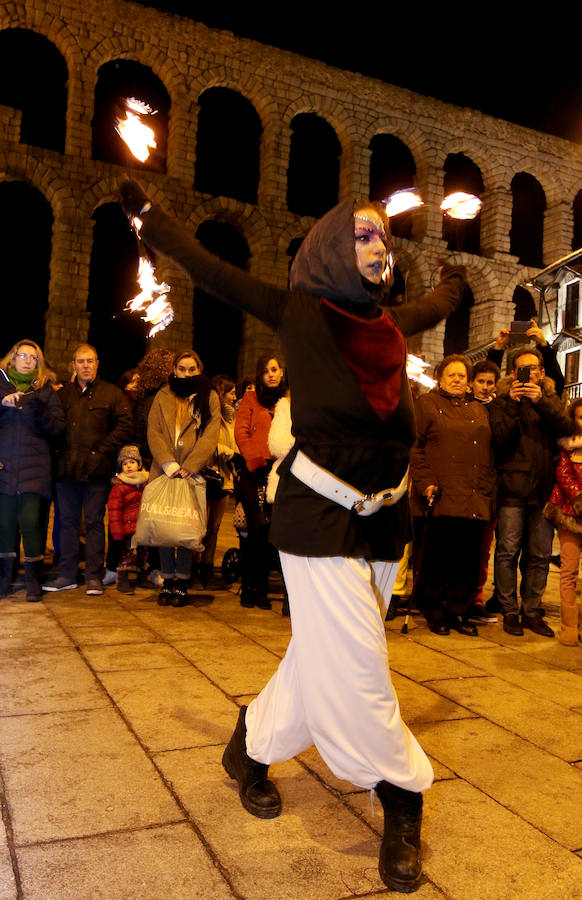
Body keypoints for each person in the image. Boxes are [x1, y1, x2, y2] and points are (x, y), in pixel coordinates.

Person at [120, 180, 465, 893]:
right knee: (361, 670)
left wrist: (457, 284)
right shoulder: (300, 311)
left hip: (385, 521)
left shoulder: (390, 325)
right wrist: (151, 219)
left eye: (384, 237)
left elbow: (436, 305)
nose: (379, 245)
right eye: (363, 234)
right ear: (334, 247)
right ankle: (402, 793)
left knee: (323, 658)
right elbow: (209, 269)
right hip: (318, 518)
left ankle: (249, 748)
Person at [489, 345, 572, 637]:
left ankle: (533, 611)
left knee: (539, 554)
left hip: (543, 490)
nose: (529, 374)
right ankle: (509, 610)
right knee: (507, 552)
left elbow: (566, 428)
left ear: (541, 372)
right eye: (523, 369)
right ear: (514, 373)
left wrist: (541, 402)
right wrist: (514, 405)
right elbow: (499, 441)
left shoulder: (550, 400)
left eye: (533, 369)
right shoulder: (501, 403)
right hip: (511, 490)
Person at [410, 355, 496, 635]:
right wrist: (425, 482)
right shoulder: (427, 404)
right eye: (452, 375)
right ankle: (434, 610)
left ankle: (459, 610)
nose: (458, 380)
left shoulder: (479, 408)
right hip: (441, 493)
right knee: (436, 558)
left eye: (462, 376)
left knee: (467, 559)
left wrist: (488, 486)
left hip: (475, 493)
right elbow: (415, 447)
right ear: (440, 378)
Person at [43, 344, 133, 596]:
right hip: (66, 470)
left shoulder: (111, 393)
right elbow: (52, 427)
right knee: (66, 523)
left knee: (94, 523)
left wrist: (102, 451)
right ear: (73, 365)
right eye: (81, 361)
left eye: (90, 361)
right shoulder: (62, 395)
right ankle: (66, 574)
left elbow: (124, 425)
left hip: (96, 471)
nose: (85, 365)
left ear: (97, 364)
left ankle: (94, 575)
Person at [147, 349, 220, 607]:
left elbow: (211, 434)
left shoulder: (209, 396)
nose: (186, 374)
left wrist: (190, 465)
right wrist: (168, 463)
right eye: (182, 369)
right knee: (165, 528)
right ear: (174, 370)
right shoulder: (163, 395)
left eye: (192, 369)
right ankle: (167, 580)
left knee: (187, 529)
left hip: (192, 471)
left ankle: (182, 582)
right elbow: (154, 430)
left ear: (199, 370)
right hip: (164, 469)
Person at [0, 339, 65, 601]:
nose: (28, 361)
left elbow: (58, 429)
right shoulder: (1, 385)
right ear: (12, 358)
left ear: (39, 363)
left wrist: (40, 411)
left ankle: (33, 581)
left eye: (33, 357)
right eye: (23, 356)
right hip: (4, 467)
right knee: (4, 524)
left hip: (35, 469)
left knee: (30, 523)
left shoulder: (46, 391)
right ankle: (4, 580)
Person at [234, 355, 287, 609]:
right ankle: (248, 587)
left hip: (278, 471)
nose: (271, 375)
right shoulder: (251, 398)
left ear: (281, 372)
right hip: (253, 469)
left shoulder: (287, 401)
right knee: (253, 528)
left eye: (274, 370)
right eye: (266, 371)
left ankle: (261, 588)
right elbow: (241, 431)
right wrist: (253, 458)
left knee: (269, 532)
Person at [544, 398, 582, 645]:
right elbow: (564, 474)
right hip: (569, 515)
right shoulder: (567, 445)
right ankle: (568, 626)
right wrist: (580, 499)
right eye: (581, 417)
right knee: (569, 571)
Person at [198, 374, 239, 589]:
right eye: (231, 392)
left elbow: (236, 444)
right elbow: (207, 442)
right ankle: (192, 569)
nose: (235, 396)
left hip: (225, 478)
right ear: (220, 393)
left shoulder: (232, 418)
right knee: (199, 527)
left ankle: (207, 569)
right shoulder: (210, 415)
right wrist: (228, 452)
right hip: (207, 475)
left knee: (214, 528)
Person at [106, 444, 150, 593]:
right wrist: (117, 531)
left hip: (143, 527)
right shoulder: (118, 486)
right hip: (127, 528)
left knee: (144, 553)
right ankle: (122, 580)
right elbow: (114, 511)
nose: (129, 466)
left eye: (132, 462)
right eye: (125, 464)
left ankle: (143, 577)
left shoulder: (146, 482)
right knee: (126, 556)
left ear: (139, 464)